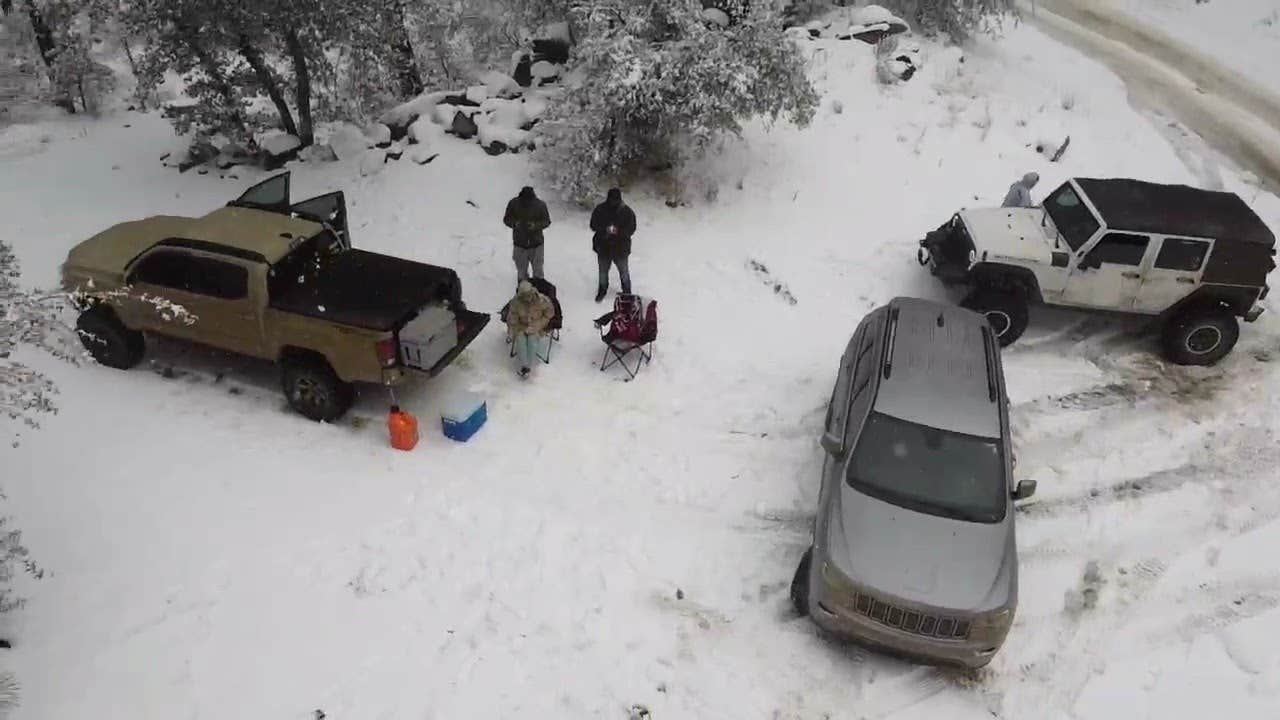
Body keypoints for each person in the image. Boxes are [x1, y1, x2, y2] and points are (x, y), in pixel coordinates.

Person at [589, 187, 637, 302]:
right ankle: (602, 290)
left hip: (620, 248)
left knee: (624, 272)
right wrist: (606, 230)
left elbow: (631, 229)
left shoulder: (627, 212)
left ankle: (627, 292)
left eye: (616, 200)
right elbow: (593, 225)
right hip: (603, 246)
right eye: (612, 199)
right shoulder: (600, 209)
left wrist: (618, 232)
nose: (614, 202)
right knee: (603, 272)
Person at [505, 280, 556, 378]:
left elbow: (549, 314)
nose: (527, 298)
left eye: (529, 295)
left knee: (532, 340)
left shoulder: (542, 300)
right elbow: (512, 318)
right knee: (520, 340)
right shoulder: (515, 303)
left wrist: (536, 326)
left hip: (538, 326)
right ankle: (524, 365)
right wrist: (519, 329)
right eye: (524, 296)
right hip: (521, 326)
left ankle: (528, 366)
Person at [503, 186, 551, 284]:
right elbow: (506, 219)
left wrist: (535, 226)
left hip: (536, 244)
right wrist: (515, 224)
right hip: (520, 243)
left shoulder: (540, 205)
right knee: (522, 272)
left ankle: (537, 290)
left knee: (538, 272)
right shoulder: (514, 203)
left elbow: (546, 221)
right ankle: (523, 292)